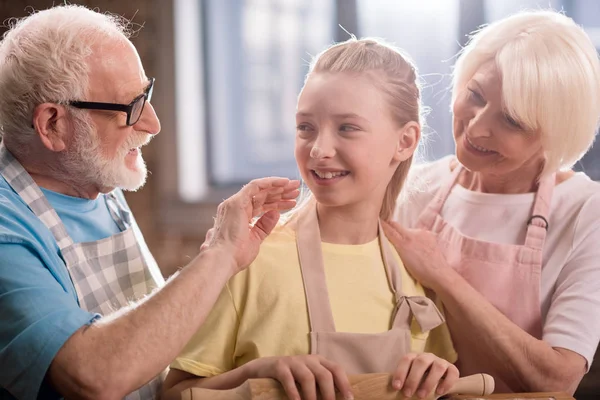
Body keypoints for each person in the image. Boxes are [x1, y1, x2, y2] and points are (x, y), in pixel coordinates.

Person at [0, 5, 300, 399]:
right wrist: (220, 256)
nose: (152, 123)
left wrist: (252, 375)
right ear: (53, 125)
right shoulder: (8, 231)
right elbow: (95, 375)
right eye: (131, 108)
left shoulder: (93, 179)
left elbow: (150, 366)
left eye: (147, 95)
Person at [163, 37, 459, 400]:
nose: (319, 150)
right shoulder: (249, 260)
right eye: (306, 127)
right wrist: (257, 373)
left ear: (405, 141)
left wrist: (443, 377)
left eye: (347, 128)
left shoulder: (417, 269)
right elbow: (174, 394)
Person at [384, 9, 600, 395]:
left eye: (512, 120)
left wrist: (443, 276)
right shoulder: (415, 186)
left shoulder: (586, 212)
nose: (477, 126)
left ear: (557, 133)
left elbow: (558, 379)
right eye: (476, 95)